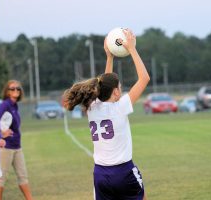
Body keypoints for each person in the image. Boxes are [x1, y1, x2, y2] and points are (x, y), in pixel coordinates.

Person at [63, 29, 150, 200]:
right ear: (116, 92)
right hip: (123, 172)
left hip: (100, 174)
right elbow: (144, 78)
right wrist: (132, 48)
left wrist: (109, 57)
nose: (122, 90)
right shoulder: (120, 107)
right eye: (120, 87)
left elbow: (102, 85)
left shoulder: (91, 108)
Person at [0, 80, 33, 200]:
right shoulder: (5, 104)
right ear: (7, 92)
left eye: (18, 88)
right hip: (6, 147)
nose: (16, 90)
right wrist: (1, 133)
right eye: (12, 88)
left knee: (23, 176)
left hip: (17, 146)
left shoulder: (15, 105)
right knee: (1, 179)